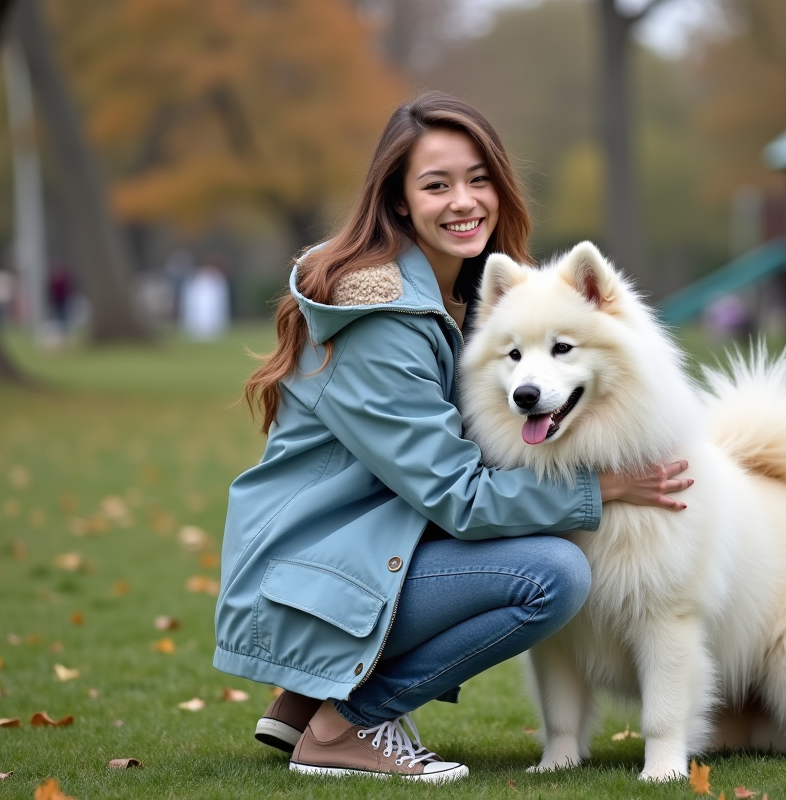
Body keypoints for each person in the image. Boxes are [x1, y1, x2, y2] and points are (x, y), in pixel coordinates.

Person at [213, 92, 693, 783]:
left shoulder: (463, 297)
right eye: (436, 185)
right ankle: (347, 725)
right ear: (400, 203)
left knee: (538, 535)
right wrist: (602, 487)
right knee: (550, 575)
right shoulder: (380, 320)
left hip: (338, 561)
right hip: (303, 585)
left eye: (477, 179)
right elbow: (458, 496)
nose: (463, 201)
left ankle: (304, 700)